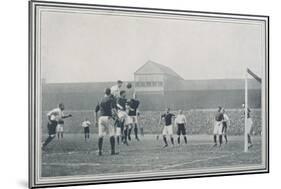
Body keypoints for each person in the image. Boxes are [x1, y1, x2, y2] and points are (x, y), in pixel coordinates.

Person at [95, 88, 118, 156]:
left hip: (101, 118)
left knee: (100, 135)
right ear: (110, 92)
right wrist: (117, 116)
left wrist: (95, 121)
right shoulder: (111, 99)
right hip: (108, 117)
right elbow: (114, 109)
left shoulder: (100, 99)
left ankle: (100, 151)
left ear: (104, 92)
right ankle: (112, 151)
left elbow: (95, 111)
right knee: (111, 134)